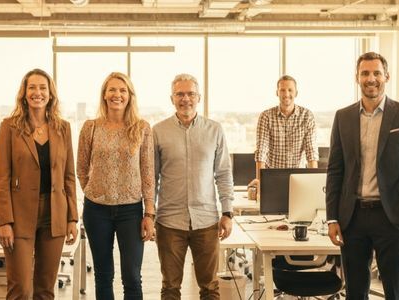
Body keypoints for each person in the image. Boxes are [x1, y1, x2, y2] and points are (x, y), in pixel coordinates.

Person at [325, 52, 399, 299]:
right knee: (355, 292)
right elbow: (335, 170)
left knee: (396, 290)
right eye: (365, 73)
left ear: (386, 76)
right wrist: (332, 218)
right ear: (357, 78)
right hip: (353, 217)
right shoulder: (343, 117)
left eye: (376, 73)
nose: (371, 79)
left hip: (391, 217)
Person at [0, 68, 78, 300]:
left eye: (43, 88)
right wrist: (5, 220)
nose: (37, 92)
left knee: (45, 288)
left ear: (50, 94)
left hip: (55, 214)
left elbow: (69, 176)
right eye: (32, 87)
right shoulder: (9, 127)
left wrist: (72, 218)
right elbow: (2, 177)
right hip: (19, 214)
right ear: (24, 93)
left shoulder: (63, 128)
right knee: (20, 287)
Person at [153, 73, 234, 300]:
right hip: (169, 222)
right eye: (180, 94)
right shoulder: (158, 131)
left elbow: (224, 174)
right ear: (172, 98)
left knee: (209, 288)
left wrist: (227, 213)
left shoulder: (215, 130)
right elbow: (151, 178)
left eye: (190, 94)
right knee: (170, 287)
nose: (185, 98)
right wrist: (149, 214)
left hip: (207, 221)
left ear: (199, 97)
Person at [77, 72, 155, 299]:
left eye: (122, 90)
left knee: (131, 276)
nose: (117, 95)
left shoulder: (141, 128)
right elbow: (81, 168)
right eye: (112, 90)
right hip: (96, 210)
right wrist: (94, 190)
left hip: (131, 211)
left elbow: (148, 173)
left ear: (130, 96)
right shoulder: (90, 127)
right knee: (103, 275)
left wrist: (149, 213)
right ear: (104, 95)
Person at [250, 75, 318, 187]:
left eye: (290, 90)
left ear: (296, 93)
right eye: (282, 90)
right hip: (272, 178)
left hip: (299, 179)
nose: (286, 94)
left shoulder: (307, 116)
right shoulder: (266, 117)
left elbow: (311, 153)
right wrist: (260, 181)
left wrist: (314, 184)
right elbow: (261, 152)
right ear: (277, 92)